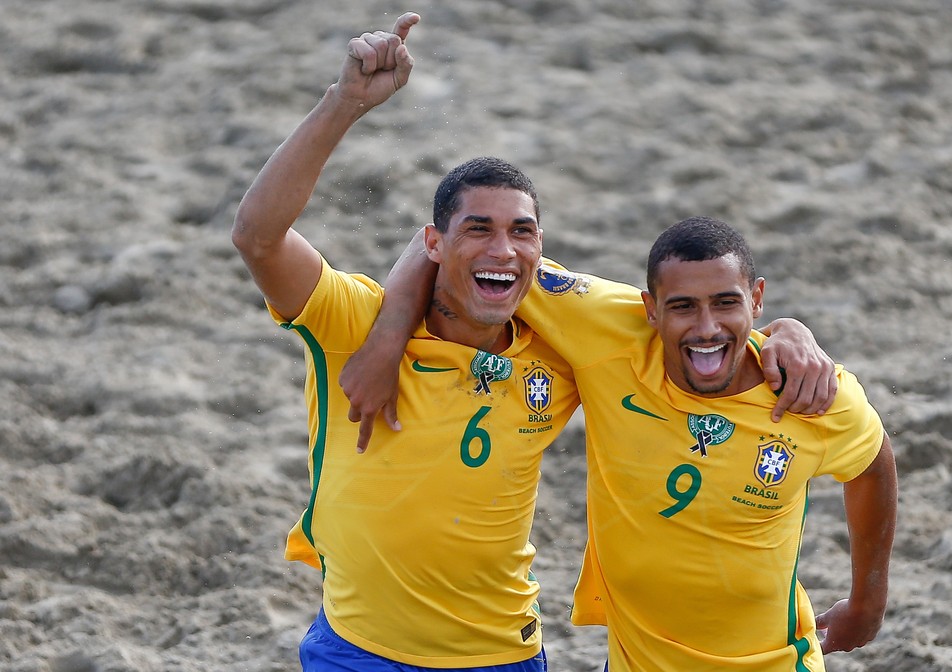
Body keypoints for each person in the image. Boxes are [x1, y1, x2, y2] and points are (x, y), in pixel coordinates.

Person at [232, 11, 837, 671]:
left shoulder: (566, 346)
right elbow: (258, 236)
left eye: (522, 231)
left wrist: (787, 332)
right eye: (479, 229)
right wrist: (344, 101)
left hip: (504, 656)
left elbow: (699, 324)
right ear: (432, 243)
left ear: (541, 249)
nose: (503, 249)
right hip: (358, 651)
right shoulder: (353, 323)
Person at [351, 218, 897, 671]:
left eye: (726, 303)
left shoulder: (813, 395)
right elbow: (452, 249)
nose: (706, 327)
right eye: (683, 307)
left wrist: (867, 605)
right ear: (650, 309)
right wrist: (386, 337)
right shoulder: (606, 327)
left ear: (756, 299)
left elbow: (872, 466)